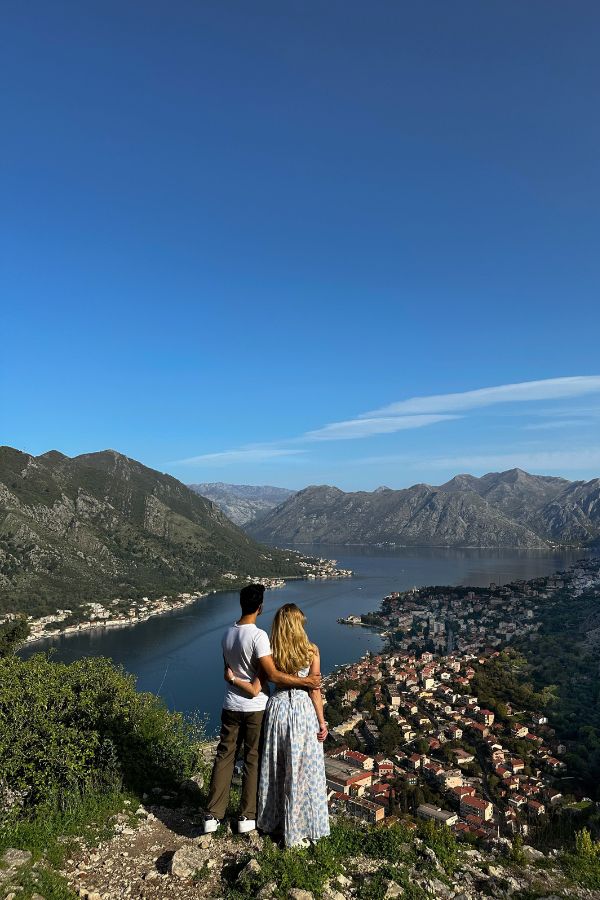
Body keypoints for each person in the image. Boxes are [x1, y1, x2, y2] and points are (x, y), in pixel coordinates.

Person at [203, 584, 320, 835]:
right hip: (255, 707)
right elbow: (269, 677)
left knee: (224, 757)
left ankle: (213, 815)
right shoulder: (259, 637)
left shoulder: (226, 634)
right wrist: (306, 681)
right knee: (253, 759)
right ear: (260, 607)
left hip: (230, 705)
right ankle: (247, 817)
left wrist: (233, 681)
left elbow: (229, 672)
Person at [229, 602, 329, 847]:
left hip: (278, 710)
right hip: (303, 712)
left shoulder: (270, 651)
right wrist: (322, 722)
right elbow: (315, 691)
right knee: (304, 771)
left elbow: (257, 685)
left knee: (276, 767)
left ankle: (273, 822)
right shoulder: (311, 650)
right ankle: (303, 827)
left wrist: (232, 678)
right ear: (298, 625)